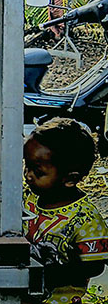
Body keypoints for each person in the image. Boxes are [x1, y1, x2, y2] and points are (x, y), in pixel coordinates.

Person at [24, 118, 108, 304]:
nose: (28, 175)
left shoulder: (85, 219)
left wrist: (54, 273)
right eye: (26, 166)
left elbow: (94, 266)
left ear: (70, 179)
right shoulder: (29, 198)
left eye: (37, 171)